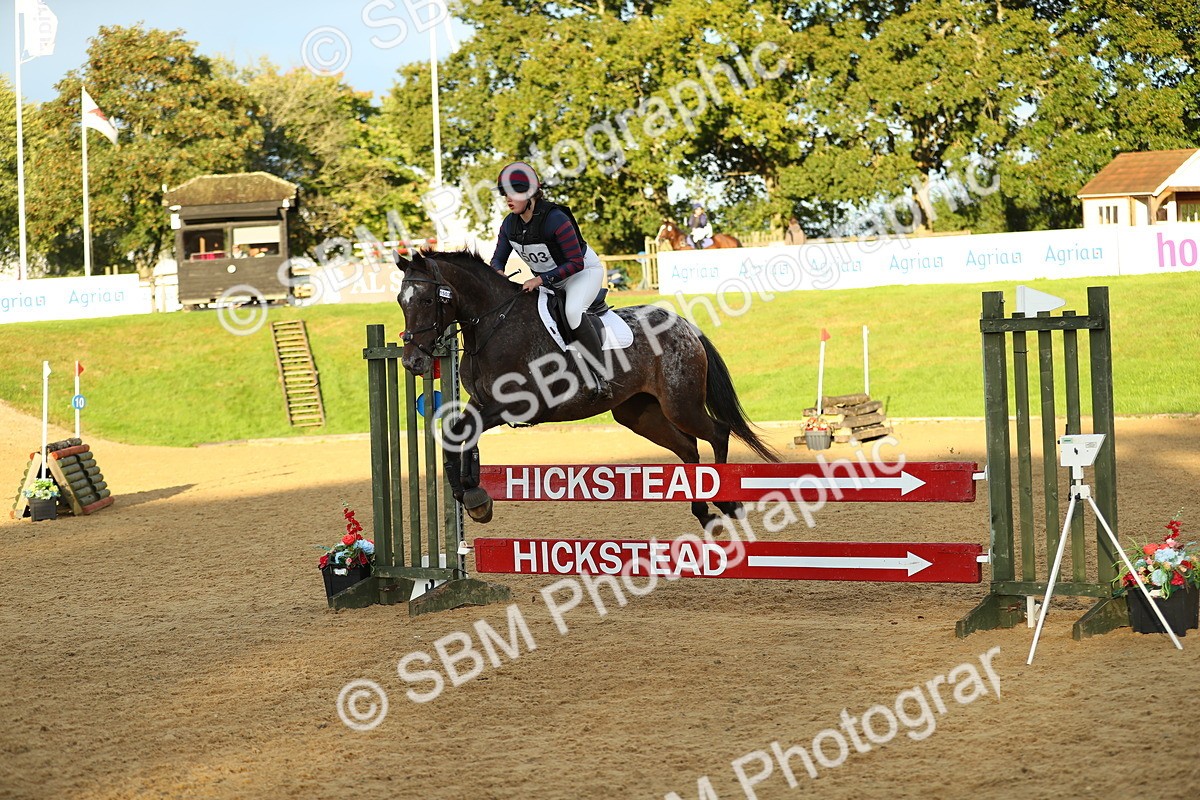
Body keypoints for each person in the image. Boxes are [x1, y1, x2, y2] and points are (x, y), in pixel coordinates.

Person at [489, 161, 611, 400]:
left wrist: (539, 280)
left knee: (573, 311)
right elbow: (497, 260)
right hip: (550, 280)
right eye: (506, 195)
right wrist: (498, 274)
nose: (508, 200)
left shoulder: (555, 219)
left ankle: (601, 376)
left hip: (582, 273)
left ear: (531, 195)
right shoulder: (509, 224)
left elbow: (576, 262)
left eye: (514, 194)